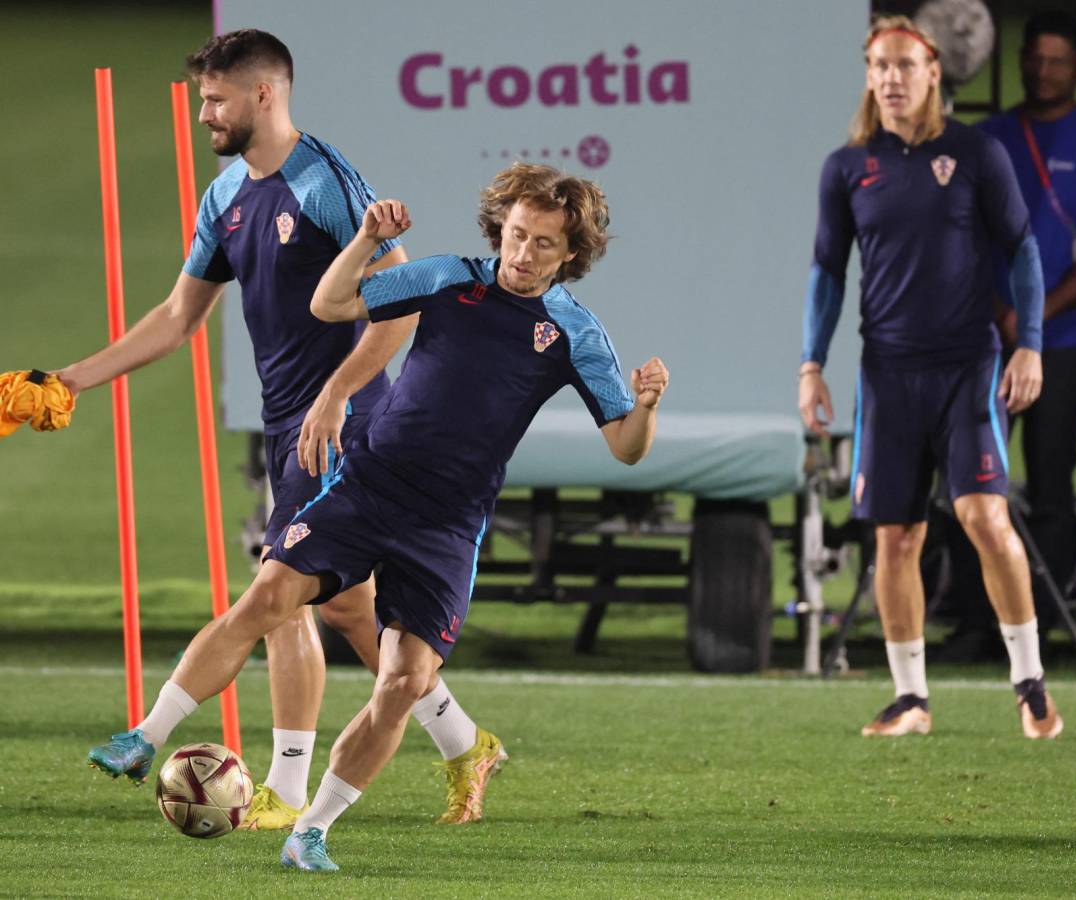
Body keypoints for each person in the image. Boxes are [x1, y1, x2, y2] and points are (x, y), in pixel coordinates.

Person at [88, 161, 670, 872]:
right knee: (269, 595)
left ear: (572, 253)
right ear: (501, 228)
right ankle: (146, 736)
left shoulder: (575, 332)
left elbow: (626, 449)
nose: (524, 254)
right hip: (370, 484)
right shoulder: (448, 276)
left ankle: (313, 830)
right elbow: (332, 305)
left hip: (448, 526)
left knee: (402, 681)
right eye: (517, 235)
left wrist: (644, 407)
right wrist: (364, 239)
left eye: (544, 244)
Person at [36, 29, 502, 828]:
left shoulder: (324, 183)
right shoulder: (225, 196)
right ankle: (465, 742)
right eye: (201, 100)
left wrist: (335, 396)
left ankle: (284, 789)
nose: (204, 115)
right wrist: (73, 378)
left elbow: (403, 301)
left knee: (278, 590)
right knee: (351, 611)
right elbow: (179, 315)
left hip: (344, 424)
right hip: (288, 419)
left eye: (215, 100)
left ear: (264, 94)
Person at [798, 16, 1063, 740]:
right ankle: (910, 698)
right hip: (886, 374)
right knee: (897, 539)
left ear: (933, 72)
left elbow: (1023, 252)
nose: (890, 79)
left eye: (903, 66)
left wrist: (1029, 346)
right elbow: (827, 272)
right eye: (878, 66)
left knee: (983, 516)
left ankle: (1030, 682)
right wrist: (812, 365)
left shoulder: (976, 153)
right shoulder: (848, 167)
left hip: (968, 367)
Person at [938, 10, 1076, 653]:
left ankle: (1044, 627)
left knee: (1052, 483)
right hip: (984, 339)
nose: (1043, 72)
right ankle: (973, 622)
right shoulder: (990, 137)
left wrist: (1032, 316)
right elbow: (956, 231)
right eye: (1034, 59)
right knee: (970, 479)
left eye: (1057, 61)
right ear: (1019, 62)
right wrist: (998, 308)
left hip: (1066, 345)